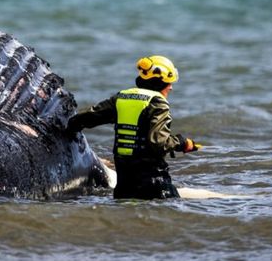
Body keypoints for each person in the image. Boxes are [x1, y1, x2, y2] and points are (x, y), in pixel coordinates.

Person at [66, 55, 199, 200]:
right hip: (153, 183)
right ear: (160, 82)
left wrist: (66, 128)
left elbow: (85, 119)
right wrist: (182, 143)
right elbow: (158, 143)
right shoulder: (158, 103)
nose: (171, 87)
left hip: (124, 184)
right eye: (169, 83)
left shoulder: (122, 97)